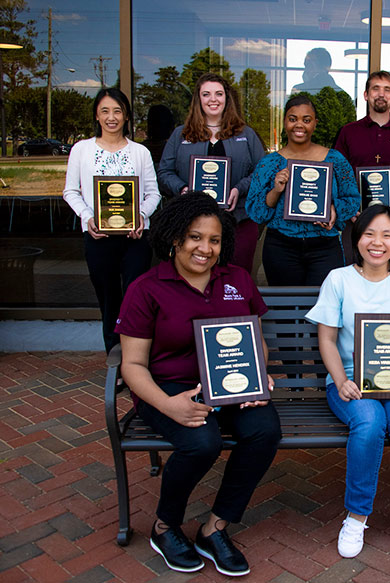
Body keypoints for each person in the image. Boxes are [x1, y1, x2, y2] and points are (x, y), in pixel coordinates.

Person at [116, 192, 281, 577]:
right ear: (175, 238)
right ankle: (165, 526)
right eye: (194, 237)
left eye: (214, 239)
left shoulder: (237, 279)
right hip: (170, 389)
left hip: (233, 385)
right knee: (201, 442)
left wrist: (259, 373)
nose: (204, 248)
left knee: (264, 431)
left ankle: (214, 527)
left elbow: (255, 339)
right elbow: (133, 364)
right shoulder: (146, 288)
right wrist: (168, 404)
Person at [305, 205, 390, 558]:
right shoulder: (338, 279)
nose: (377, 243)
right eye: (369, 234)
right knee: (369, 423)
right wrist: (339, 381)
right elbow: (327, 339)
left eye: (387, 235)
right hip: (351, 382)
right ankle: (356, 515)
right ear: (357, 237)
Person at [63, 87, 161, 353]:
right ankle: (114, 357)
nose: (111, 117)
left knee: (135, 299)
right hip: (98, 237)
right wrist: (88, 216)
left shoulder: (140, 152)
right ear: (96, 114)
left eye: (117, 111)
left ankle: (136, 359)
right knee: (109, 299)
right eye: (105, 110)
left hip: (135, 239)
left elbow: (153, 193)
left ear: (126, 116)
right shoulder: (81, 150)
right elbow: (70, 191)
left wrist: (141, 215)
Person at [158, 73, 266, 274]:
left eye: (219, 94)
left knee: (235, 283)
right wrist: (183, 189)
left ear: (227, 98)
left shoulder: (246, 134)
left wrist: (239, 189)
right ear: (198, 99)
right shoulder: (181, 134)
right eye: (206, 94)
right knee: (195, 281)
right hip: (191, 224)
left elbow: (262, 172)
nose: (213, 99)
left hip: (238, 222)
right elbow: (164, 173)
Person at [245, 95, 360, 286]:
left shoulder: (335, 160)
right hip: (281, 246)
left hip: (324, 246)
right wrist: (276, 190)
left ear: (315, 123)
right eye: (293, 119)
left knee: (324, 308)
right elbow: (257, 211)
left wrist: (334, 208)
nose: (299, 125)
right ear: (284, 122)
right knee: (287, 309)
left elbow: (352, 198)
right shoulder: (270, 163)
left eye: (306, 120)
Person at [334, 71, 390, 260]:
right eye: (375, 89)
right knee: (354, 277)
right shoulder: (349, 132)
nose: (381, 94)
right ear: (366, 95)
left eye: (387, 90)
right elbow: (336, 175)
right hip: (356, 220)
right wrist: (349, 208)